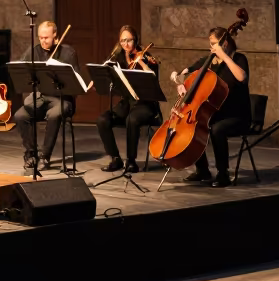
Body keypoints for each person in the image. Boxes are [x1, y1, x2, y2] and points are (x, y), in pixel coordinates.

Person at [176, 26, 250, 188]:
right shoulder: (208, 61)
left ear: (226, 43)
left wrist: (224, 56)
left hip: (237, 115)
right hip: (217, 112)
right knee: (196, 126)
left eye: (215, 43)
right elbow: (183, 73)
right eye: (211, 44)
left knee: (217, 129)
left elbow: (242, 77)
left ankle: (223, 173)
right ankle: (202, 170)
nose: (212, 47)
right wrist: (180, 82)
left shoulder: (238, 59)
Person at [14, 20, 83, 170]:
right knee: (20, 116)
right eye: (40, 38)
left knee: (54, 114)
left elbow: (75, 82)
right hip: (42, 97)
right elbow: (20, 69)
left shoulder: (68, 53)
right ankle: (31, 154)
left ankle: (45, 156)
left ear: (55, 37)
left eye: (46, 37)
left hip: (62, 99)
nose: (43, 41)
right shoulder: (34, 51)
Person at [96, 25, 161, 173]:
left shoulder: (146, 56)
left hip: (145, 104)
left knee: (132, 119)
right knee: (103, 120)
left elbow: (153, 78)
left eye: (129, 40)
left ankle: (131, 161)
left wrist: (142, 62)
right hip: (127, 103)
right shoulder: (118, 57)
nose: (126, 44)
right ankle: (115, 158)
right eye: (123, 40)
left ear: (136, 40)